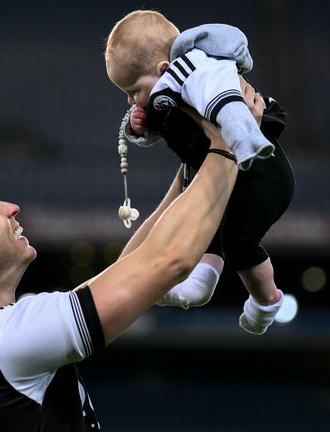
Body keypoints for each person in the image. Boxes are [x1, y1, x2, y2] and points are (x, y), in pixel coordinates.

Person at [0, 111, 239, 430]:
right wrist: (227, 142)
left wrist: (190, 168)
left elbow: (131, 269)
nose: (11, 207)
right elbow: (168, 261)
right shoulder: (1, 342)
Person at [105, 10, 296, 334]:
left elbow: (228, 104)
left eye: (134, 90)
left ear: (163, 70)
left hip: (259, 170)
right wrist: (141, 129)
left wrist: (244, 139)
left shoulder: (200, 72)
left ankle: (267, 301)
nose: (130, 100)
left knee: (238, 242)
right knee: (207, 223)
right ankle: (202, 281)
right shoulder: (169, 91)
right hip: (219, 169)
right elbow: (167, 125)